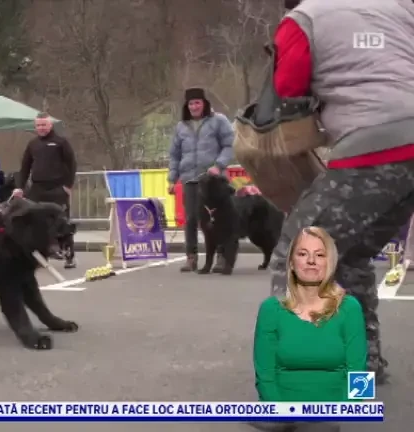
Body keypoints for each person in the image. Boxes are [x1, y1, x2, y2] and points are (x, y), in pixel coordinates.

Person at [267, 0, 414, 383]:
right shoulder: (399, 7)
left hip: (375, 144)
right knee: (350, 254)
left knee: (299, 256)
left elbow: (288, 86)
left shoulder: (302, 19)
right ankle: (363, 366)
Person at [253, 227, 364, 431]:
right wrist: (286, 416)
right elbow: (265, 375)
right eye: (303, 254)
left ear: (329, 263)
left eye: (319, 255)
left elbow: (359, 377)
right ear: (292, 263)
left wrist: (331, 414)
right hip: (283, 416)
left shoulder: (350, 309)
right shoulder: (271, 310)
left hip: (330, 417)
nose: (311, 261)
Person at [167, 88, 234, 273]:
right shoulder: (181, 126)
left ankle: (221, 257)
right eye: (190, 103)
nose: (194, 106)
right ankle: (191, 257)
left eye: (197, 102)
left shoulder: (218, 121)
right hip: (190, 179)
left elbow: (230, 145)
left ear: (204, 103)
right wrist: (172, 179)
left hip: (214, 180)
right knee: (190, 219)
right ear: (186, 106)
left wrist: (219, 165)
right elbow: (174, 155)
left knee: (218, 220)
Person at [12, 112, 77, 269]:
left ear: (50, 125)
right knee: (36, 222)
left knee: (61, 221)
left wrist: (68, 186)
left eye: (44, 125)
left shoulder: (60, 142)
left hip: (57, 188)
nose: (41, 128)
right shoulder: (33, 144)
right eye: (38, 125)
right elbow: (25, 167)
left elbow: (72, 164)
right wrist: (19, 187)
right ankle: (42, 255)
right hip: (37, 188)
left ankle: (69, 255)